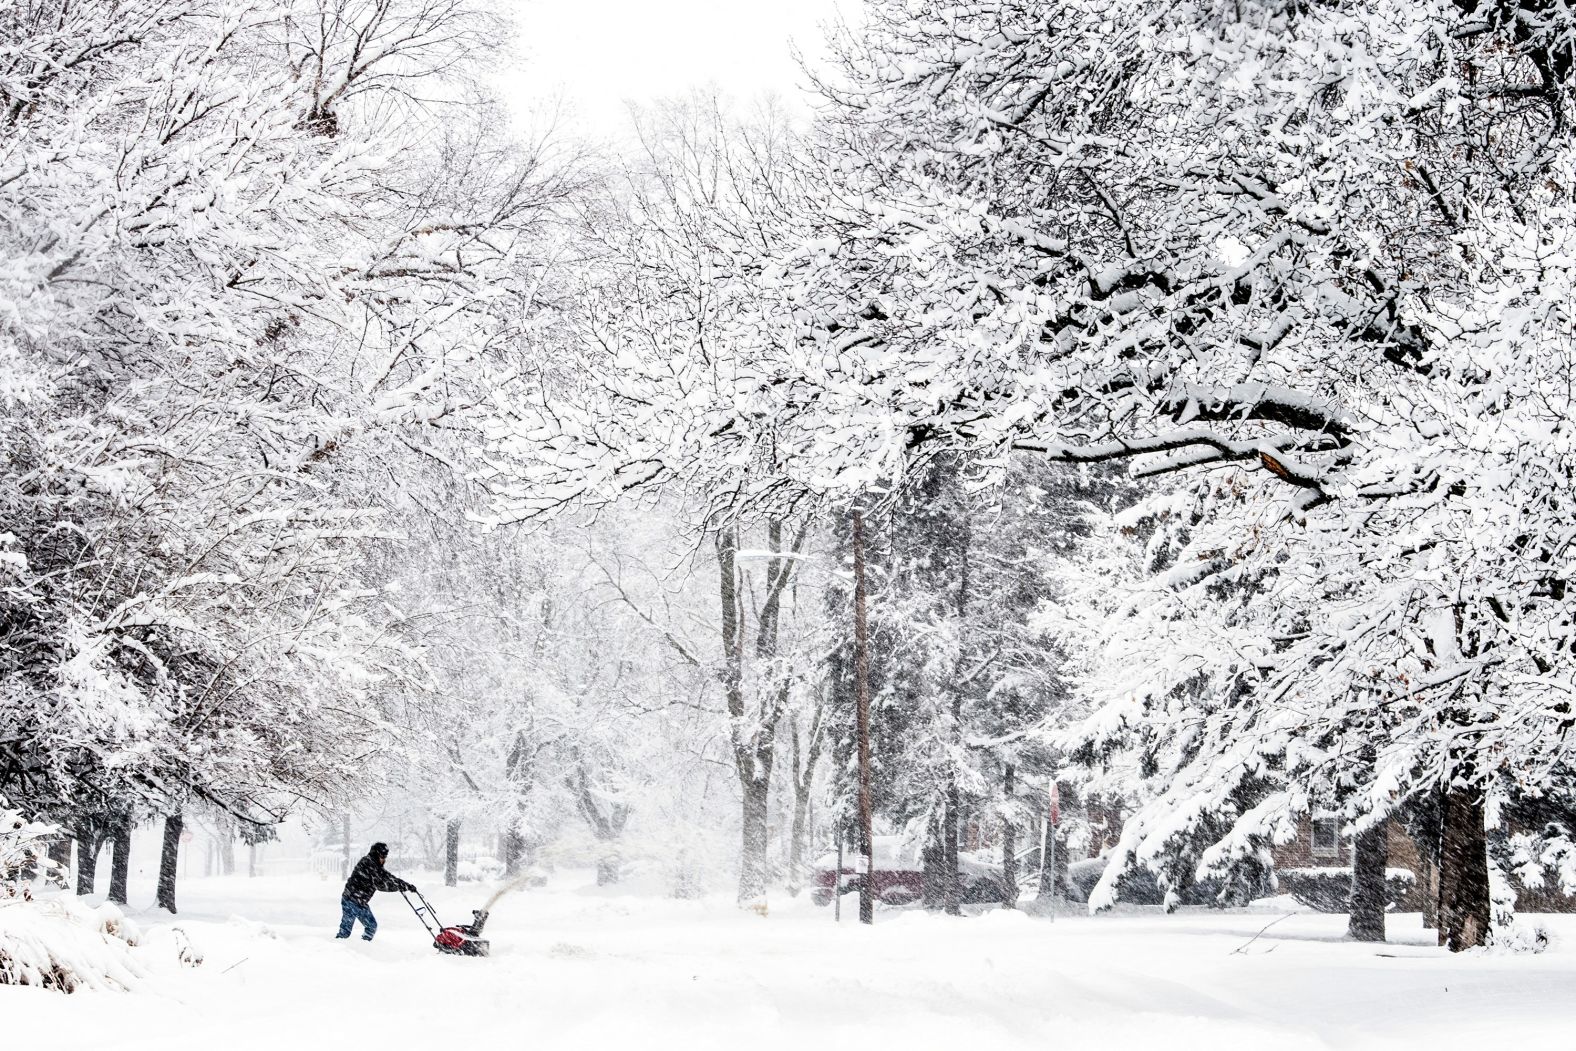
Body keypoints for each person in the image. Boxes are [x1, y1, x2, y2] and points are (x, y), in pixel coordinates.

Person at [336, 842, 415, 941]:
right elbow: (380, 885)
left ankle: (363, 946)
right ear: (376, 854)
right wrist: (398, 888)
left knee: (371, 926)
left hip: (360, 902)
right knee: (345, 932)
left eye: (385, 857)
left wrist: (406, 885)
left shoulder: (376, 866)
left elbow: (389, 877)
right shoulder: (368, 864)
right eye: (382, 856)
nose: (384, 859)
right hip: (351, 900)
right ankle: (336, 951)